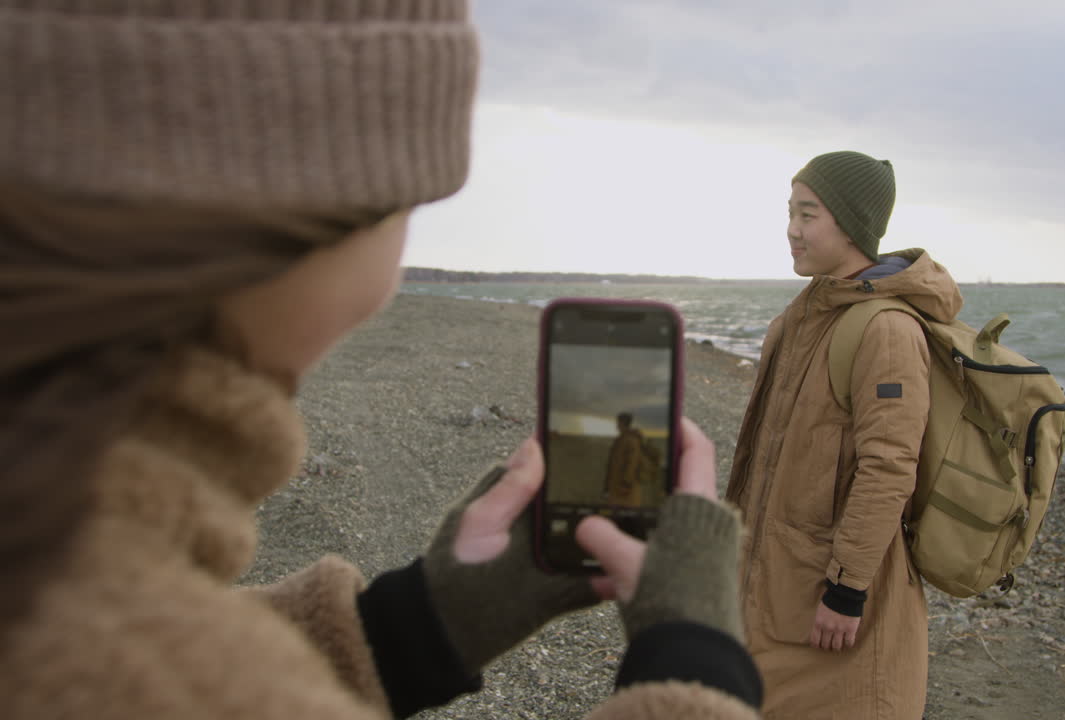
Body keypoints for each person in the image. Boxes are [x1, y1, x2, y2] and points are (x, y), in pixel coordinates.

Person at [0, 2, 762, 718]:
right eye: (409, 205)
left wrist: (417, 623)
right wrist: (696, 658)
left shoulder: (52, 560)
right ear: (301, 212)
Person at [725, 151, 964, 719]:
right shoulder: (804, 315)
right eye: (790, 212)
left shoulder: (886, 329)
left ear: (853, 225)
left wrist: (847, 590)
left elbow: (890, 467)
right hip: (776, 589)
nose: (792, 229)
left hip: (835, 605)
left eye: (808, 215)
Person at [604, 412, 655, 506]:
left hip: (625, 490)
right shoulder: (622, 439)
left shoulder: (631, 440)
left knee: (626, 511)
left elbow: (632, 463)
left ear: (623, 423)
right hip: (618, 487)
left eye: (618, 422)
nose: (617, 425)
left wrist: (626, 484)